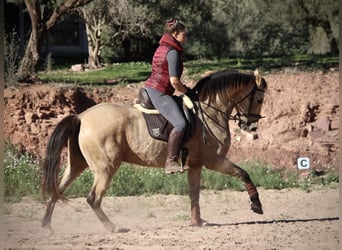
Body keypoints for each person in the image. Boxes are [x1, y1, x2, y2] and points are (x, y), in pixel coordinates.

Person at [144, 18, 188, 174]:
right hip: (160, 92)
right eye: (184, 34)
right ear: (175, 33)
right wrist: (187, 91)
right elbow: (175, 81)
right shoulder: (172, 52)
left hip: (150, 88)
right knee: (181, 124)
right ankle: (170, 162)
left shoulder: (162, 47)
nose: (186, 36)